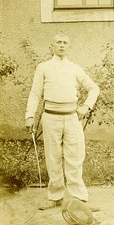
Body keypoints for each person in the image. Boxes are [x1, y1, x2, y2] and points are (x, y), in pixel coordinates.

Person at [25, 34, 100, 210]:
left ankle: (79, 199)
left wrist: (86, 106)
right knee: (53, 158)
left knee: (75, 157)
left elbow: (94, 88)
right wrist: (29, 115)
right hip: (50, 116)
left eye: (65, 43)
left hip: (72, 117)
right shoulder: (43, 67)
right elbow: (35, 93)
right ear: (52, 46)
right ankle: (55, 196)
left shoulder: (74, 68)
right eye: (58, 42)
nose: (61, 45)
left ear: (69, 46)